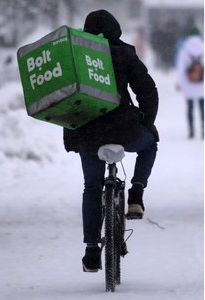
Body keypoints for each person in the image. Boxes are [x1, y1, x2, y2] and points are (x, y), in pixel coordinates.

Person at [63, 10, 159, 273]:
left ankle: (92, 250)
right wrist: (147, 123)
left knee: (92, 188)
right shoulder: (124, 54)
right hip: (124, 130)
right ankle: (136, 195)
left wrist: (72, 135)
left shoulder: (76, 57)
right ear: (116, 30)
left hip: (89, 134)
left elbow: (66, 101)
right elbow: (147, 90)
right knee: (150, 145)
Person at [175, 27, 204, 139]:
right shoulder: (203, 47)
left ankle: (191, 130)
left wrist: (178, 82)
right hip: (201, 83)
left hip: (189, 82)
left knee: (190, 108)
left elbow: (180, 68)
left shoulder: (184, 50)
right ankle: (203, 129)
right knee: (203, 108)